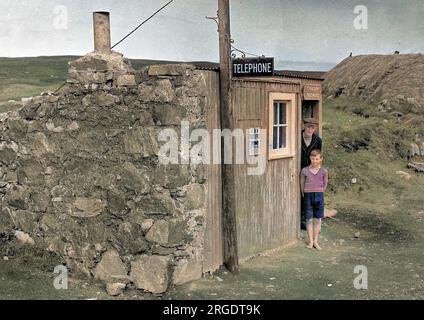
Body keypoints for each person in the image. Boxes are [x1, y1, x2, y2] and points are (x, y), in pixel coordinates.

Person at [300, 149, 328, 250]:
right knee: (309, 219)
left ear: (321, 159)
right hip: (308, 195)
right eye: (312, 159)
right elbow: (302, 183)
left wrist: (320, 191)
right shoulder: (305, 170)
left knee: (318, 219)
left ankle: (316, 240)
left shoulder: (324, 171)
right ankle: (310, 241)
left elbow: (325, 184)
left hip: (319, 195)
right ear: (310, 159)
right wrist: (305, 193)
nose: (314, 161)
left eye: (317, 159)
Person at [300, 117, 322, 229]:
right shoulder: (297, 137)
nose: (310, 129)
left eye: (312, 127)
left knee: (308, 195)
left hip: (310, 171)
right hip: (297, 169)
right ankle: (298, 218)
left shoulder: (317, 140)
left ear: (315, 129)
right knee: (299, 193)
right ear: (304, 126)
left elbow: (318, 156)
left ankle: (305, 219)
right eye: (308, 126)